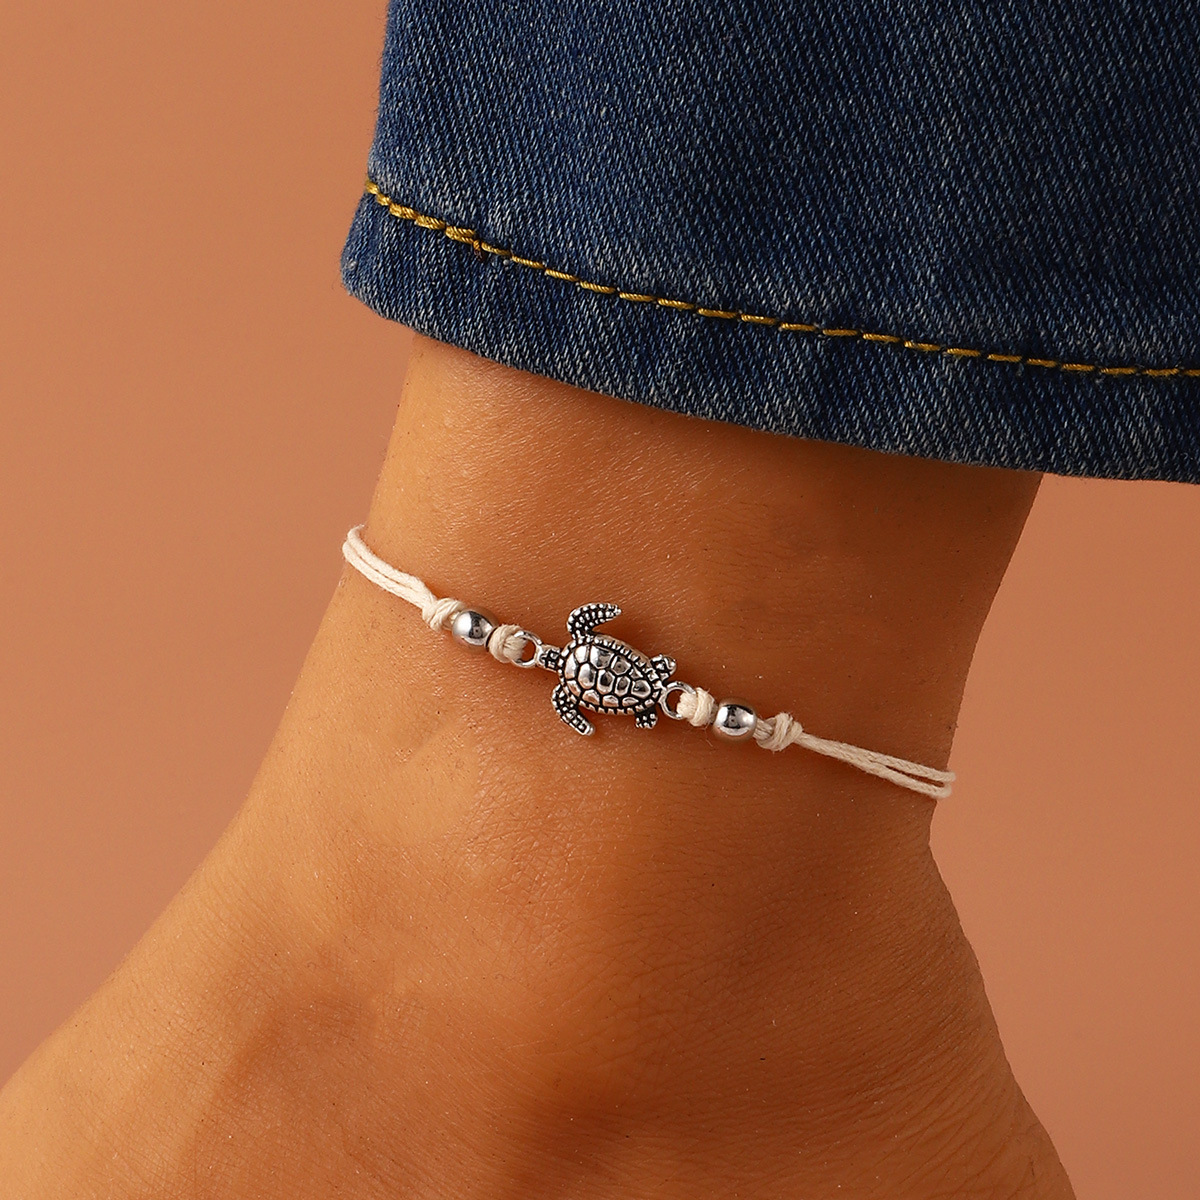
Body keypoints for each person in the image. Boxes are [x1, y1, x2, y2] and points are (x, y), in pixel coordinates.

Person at [1, 3, 1196, 1196]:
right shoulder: (592, 666)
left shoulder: (590, 668)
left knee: (583, 876)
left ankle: (520, 989)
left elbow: (586, 664)